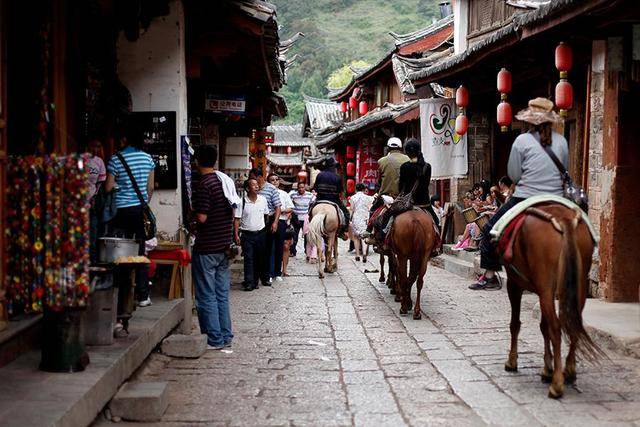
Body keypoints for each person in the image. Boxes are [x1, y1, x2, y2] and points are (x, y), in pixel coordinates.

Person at [469, 97, 568, 290]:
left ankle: (490, 277)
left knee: (490, 229)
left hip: (525, 197)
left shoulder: (522, 140)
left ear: (529, 120)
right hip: (555, 198)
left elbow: (514, 174)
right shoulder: (562, 141)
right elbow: (563, 171)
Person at [105, 124, 155, 307]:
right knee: (140, 251)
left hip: (119, 212)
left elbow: (108, 187)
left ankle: (118, 293)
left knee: (118, 251)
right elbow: (151, 187)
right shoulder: (148, 158)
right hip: (137, 211)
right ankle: (143, 296)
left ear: (124, 140)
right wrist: (144, 202)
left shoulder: (115, 159)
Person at [191, 145, 235, 350]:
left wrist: (191, 214)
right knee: (221, 294)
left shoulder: (204, 184)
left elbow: (202, 216)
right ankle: (225, 335)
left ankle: (213, 339)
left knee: (206, 294)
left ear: (197, 161)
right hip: (223, 245)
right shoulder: (223, 182)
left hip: (207, 246)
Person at [234, 178, 269, 292]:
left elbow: (266, 215)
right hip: (247, 234)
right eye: (253, 185)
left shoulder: (263, 200)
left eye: (257, 184)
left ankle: (255, 281)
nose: (256, 186)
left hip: (260, 233)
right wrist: (236, 235)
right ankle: (248, 282)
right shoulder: (242, 202)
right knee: (248, 258)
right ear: (248, 188)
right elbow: (237, 219)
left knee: (259, 258)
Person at [248, 168, 281, 286]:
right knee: (255, 251)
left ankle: (266, 277)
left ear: (260, 177)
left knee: (266, 250)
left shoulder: (271, 189)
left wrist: (275, 222)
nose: (251, 180)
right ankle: (252, 278)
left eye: (253, 177)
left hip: (268, 221)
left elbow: (277, 207)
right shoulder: (252, 189)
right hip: (254, 221)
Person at [310, 157, 350, 239]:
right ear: (333, 166)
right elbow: (340, 191)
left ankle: (309, 224)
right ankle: (343, 231)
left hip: (320, 199)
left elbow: (316, 188)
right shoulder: (337, 177)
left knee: (310, 209)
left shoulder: (320, 175)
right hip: (334, 200)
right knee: (346, 213)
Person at [273, 175, 294, 281]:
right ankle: (269, 271)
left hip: (282, 221)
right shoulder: (264, 193)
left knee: (281, 246)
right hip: (268, 221)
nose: (275, 182)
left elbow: (291, 208)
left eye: (276, 180)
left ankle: (279, 271)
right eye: (272, 180)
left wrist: (281, 211)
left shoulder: (284, 194)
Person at [349, 183, 374, 260]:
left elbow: (351, 209)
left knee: (356, 237)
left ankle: (357, 255)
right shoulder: (369, 198)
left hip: (356, 218)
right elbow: (371, 209)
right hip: (365, 218)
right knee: (365, 236)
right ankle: (364, 254)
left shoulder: (353, 198)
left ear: (356, 189)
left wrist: (350, 218)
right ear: (364, 189)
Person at [288, 181, 313, 257]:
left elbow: (312, 204)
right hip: (296, 218)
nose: (301, 189)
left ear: (305, 188)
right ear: (297, 188)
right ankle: (292, 251)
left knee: (307, 236)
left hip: (305, 218)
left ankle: (307, 252)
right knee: (294, 235)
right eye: (299, 187)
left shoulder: (310, 195)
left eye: (302, 187)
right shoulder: (293, 195)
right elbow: (288, 202)